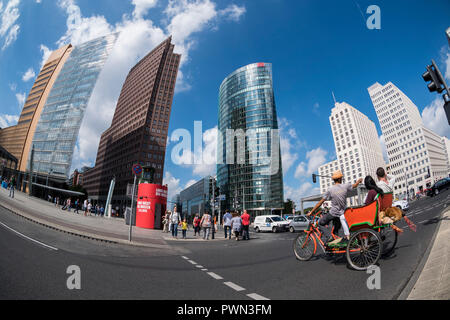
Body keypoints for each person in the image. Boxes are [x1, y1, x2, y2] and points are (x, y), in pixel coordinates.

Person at [307, 170, 362, 245]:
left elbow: (321, 202)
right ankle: (335, 245)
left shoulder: (330, 190)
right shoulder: (345, 186)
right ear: (340, 179)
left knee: (320, 223)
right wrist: (358, 182)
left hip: (333, 213)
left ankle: (329, 237)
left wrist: (311, 211)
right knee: (335, 230)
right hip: (342, 213)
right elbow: (354, 185)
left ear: (334, 179)